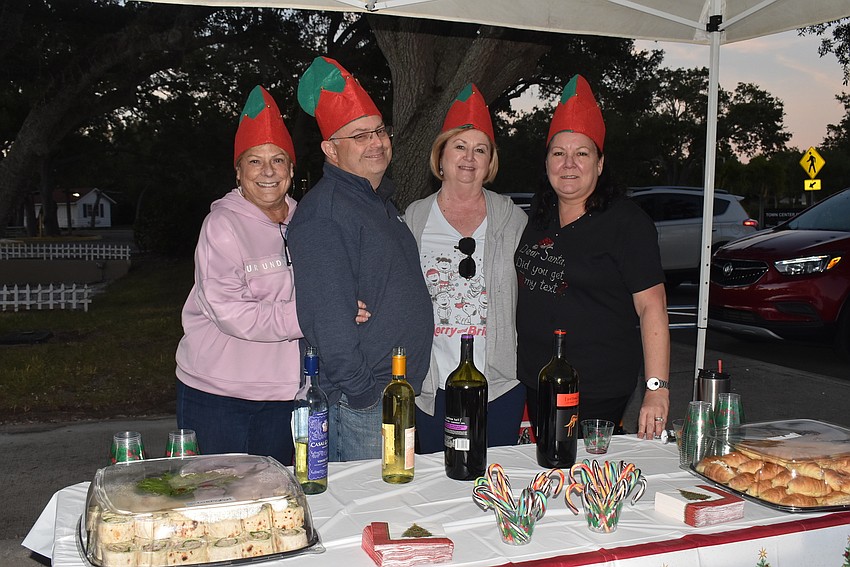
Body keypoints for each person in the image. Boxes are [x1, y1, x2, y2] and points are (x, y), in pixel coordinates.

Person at [174, 85, 369, 465]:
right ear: (238, 171)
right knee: (220, 501)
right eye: (255, 161)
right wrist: (317, 314)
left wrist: (350, 306)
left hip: (289, 393)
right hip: (220, 394)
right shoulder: (221, 226)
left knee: (280, 501)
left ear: (292, 170)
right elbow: (232, 312)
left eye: (278, 160)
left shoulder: (310, 221)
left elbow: (337, 281)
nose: (267, 171)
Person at [288, 56, 433, 461]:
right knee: (367, 515)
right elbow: (328, 322)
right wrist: (364, 392)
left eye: (379, 130)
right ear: (330, 149)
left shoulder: (376, 202)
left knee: (389, 505)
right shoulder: (325, 212)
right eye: (359, 136)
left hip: (390, 391)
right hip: (363, 401)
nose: (376, 142)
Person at [514, 75, 670, 440]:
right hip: (538, 380)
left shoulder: (626, 222)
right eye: (558, 153)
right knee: (550, 468)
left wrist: (657, 388)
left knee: (586, 479)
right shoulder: (538, 215)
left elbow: (653, 308)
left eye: (581, 153)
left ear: (600, 164)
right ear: (547, 162)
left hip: (597, 386)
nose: (569, 163)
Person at [404, 84, 527, 453]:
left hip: (498, 383)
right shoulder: (414, 218)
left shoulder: (513, 220)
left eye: (480, 149)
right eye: (459, 146)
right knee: (434, 484)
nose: (469, 158)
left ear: (491, 162)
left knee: (493, 479)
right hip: (432, 383)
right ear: (440, 156)